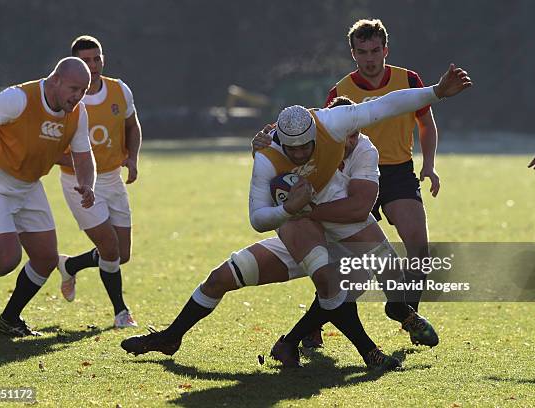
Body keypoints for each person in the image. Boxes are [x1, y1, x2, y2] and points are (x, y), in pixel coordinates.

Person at [121, 65, 471, 369]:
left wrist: (437, 93)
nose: (301, 153)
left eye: (307, 147)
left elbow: (386, 105)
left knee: (372, 276)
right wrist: (289, 210)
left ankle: (313, 342)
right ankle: (171, 337)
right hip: (300, 226)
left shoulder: (336, 125)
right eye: (294, 149)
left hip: (337, 222)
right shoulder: (266, 157)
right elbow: (258, 218)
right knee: (222, 278)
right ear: (280, 142)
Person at [313, 18, 441, 347]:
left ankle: (410, 316)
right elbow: (326, 137)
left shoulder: (408, 79)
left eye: (375, 51)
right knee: (340, 262)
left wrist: (429, 165)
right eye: (362, 52)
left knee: (420, 249)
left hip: (397, 173)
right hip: (353, 175)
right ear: (353, 53)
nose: (370, 58)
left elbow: (426, 123)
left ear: (386, 49)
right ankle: (311, 326)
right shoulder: (340, 91)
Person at [0, 57, 95, 337]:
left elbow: (84, 156)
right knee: (7, 259)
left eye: (83, 90)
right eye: (74, 88)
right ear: (55, 80)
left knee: (46, 258)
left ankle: (10, 319)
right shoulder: (18, 99)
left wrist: (88, 184)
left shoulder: (78, 113)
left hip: (28, 186)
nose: (78, 96)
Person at [55, 35, 142, 328]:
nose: (92, 65)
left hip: (112, 179)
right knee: (110, 249)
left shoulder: (119, 89)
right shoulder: (66, 97)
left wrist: (132, 158)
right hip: (78, 183)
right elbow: (52, 148)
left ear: (103, 59)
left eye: (96, 58)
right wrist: (82, 166)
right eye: (86, 60)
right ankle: (121, 313)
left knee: (122, 254)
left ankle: (70, 265)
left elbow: (133, 126)